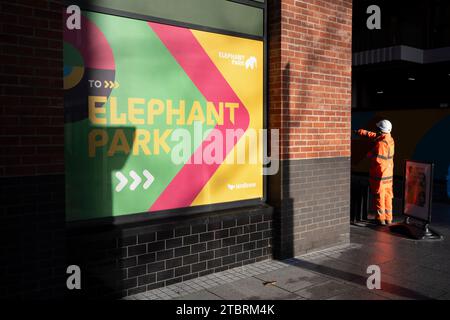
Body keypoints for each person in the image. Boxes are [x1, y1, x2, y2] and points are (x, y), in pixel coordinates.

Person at [354, 120, 395, 225]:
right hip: (388, 174)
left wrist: (368, 154)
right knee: (388, 196)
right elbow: (375, 135)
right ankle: (388, 218)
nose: (376, 131)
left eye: (378, 129)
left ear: (381, 131)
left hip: (380, 175)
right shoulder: (389, 139)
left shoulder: (381, 144)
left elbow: (378, 160)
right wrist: (361, 132)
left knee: (379, 196)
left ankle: (380, 219)